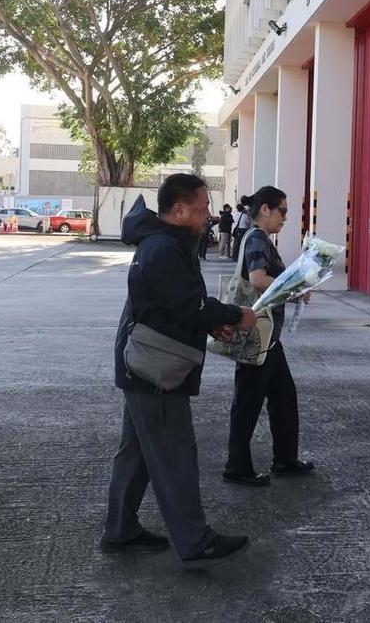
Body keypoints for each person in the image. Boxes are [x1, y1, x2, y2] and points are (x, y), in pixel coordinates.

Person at [102, 174, 258, 567]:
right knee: (174, 454)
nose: (208, 215)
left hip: (143, 366)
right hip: (155, 371)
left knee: (136, 452)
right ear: (179, 210)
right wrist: (234, 316)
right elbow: (191, 306)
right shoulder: (163, 249)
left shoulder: (166, 244)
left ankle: (121, 529)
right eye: (203, 207)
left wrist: (212, 321)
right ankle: (194, 539)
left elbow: (175, 307)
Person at [223, 186, 315, 487]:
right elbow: (258, 279)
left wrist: (295, 289)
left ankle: (285, 458)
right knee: (248, 402)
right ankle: (237, 467)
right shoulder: (257, 238)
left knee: (283, 398)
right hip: (257, 336)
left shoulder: (260, 238)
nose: (285, 218)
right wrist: (295, 289)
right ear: (265, 209)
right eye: (282, 211)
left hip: (268, 337)